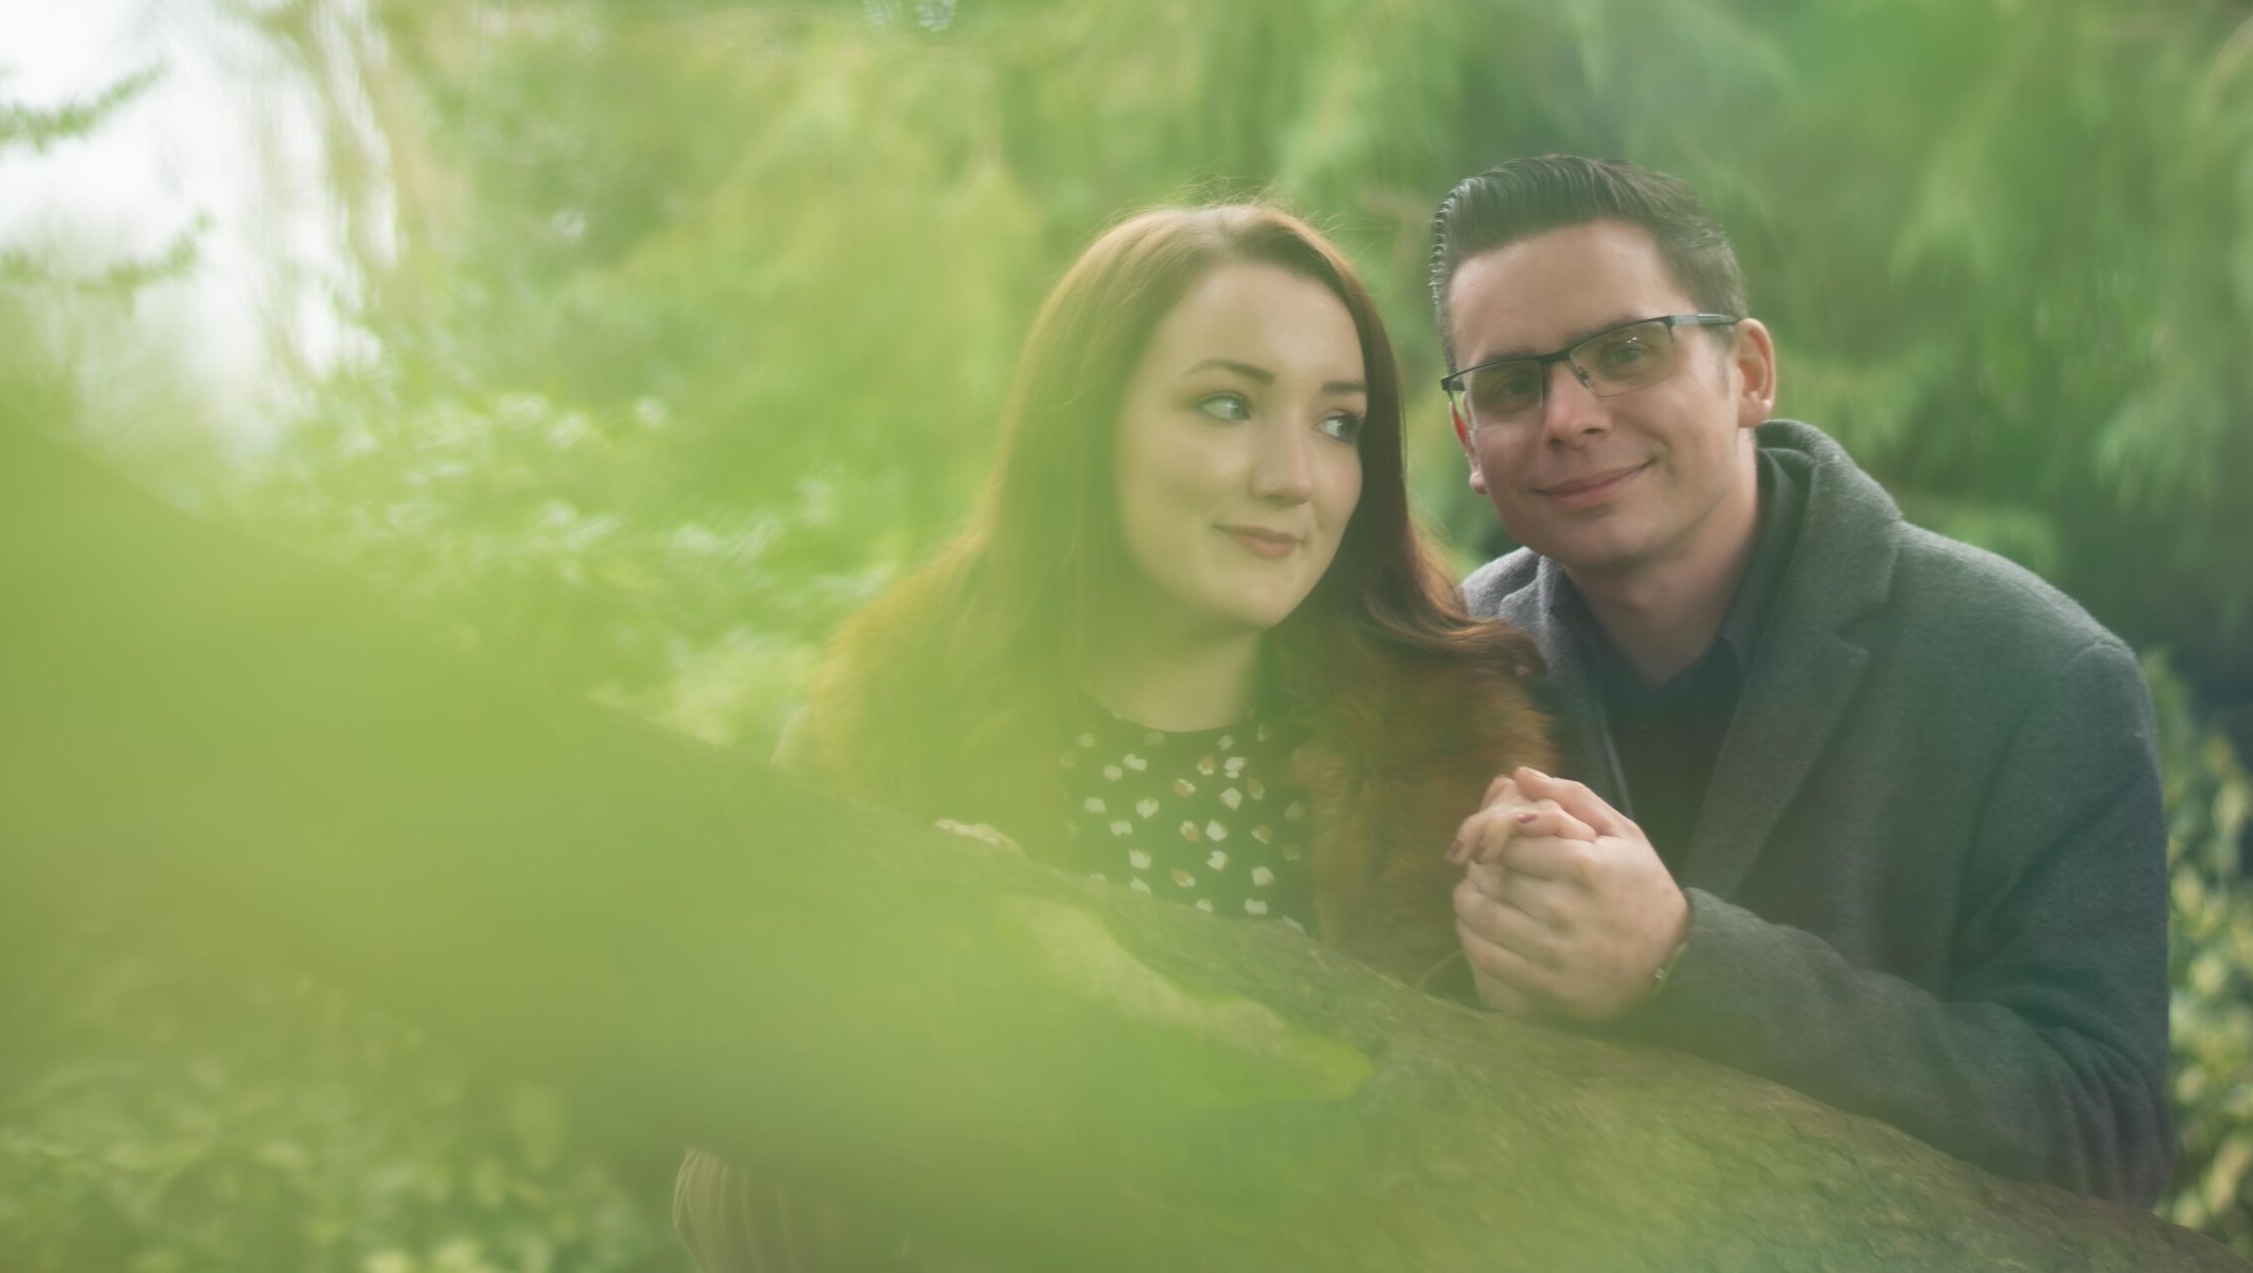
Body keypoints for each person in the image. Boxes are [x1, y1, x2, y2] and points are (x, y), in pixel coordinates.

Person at [674, 201, 1556, 1272]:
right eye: (1226, 405)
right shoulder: (881, 742)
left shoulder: (1469, 776)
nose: (1292, 476)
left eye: (1338, 424)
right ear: (1082, 426)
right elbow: (727, 1223)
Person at [1430, 154, 2174, 1205]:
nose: (1567, 417)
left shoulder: (2039, 676)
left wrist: (1683, 962)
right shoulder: (1448, 664)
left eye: (1626, 351)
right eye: (1512, 385)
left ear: (1748, 372)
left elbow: (2107, 1132)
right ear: (1470, 437)